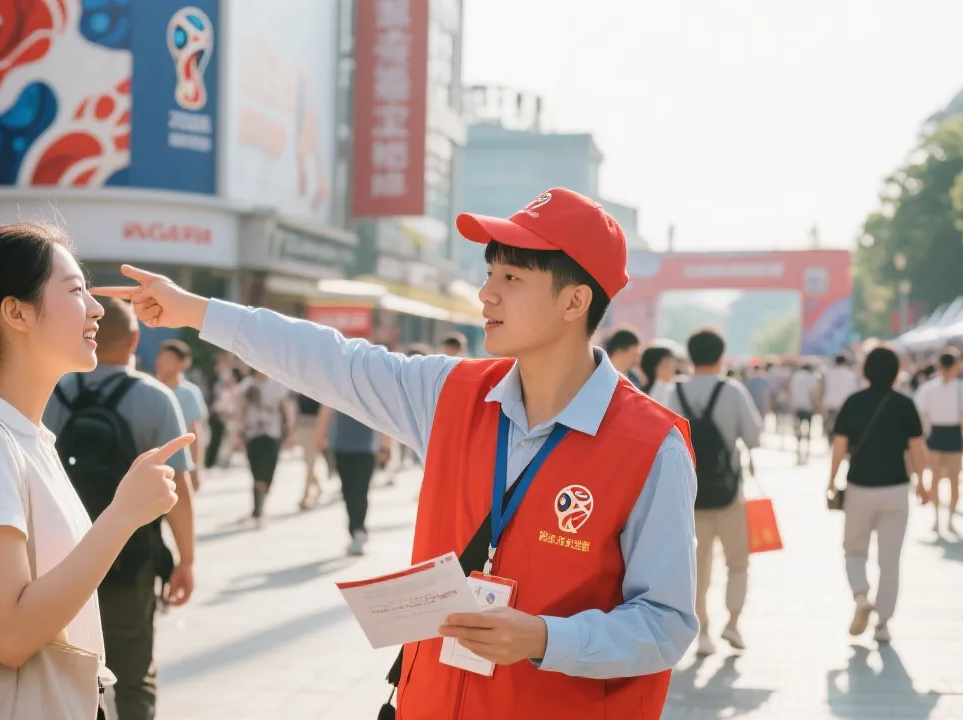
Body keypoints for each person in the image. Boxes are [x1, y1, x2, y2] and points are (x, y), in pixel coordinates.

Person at [94, 187, 699, 718]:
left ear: (576, 302)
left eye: (511, 278)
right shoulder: (452, 394)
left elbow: (667, 622)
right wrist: (194, 310)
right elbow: (331, 360)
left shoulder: (651, 446)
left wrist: (544, 638)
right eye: (490, 272)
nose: (486, 294)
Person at [0, 224, 191, 719]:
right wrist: (123, 515)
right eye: (74, 291)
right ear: (16, 312)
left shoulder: (26, 437)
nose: (96, 308)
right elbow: (10, 636)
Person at [44, 296, 196, 720]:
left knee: (63, 669)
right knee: (133, 673)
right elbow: (178, 490)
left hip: (61, 556)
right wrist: (186, 559)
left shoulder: (52, 391)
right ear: (135, 339)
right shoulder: (155, 397)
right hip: (132, 558)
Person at [664, 328, 762, 656]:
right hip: (729, 492)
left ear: (689, 357)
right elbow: (754, 437)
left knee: (697, 568)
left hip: (687, 495)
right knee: (737, 562)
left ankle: (702, 632)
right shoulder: (732, 391)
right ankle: (732, 623)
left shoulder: (672, 392)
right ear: (721, 357)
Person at [827, 346, 928, 644]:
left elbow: (840, 446)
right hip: (896, 489)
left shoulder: (853, 402)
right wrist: (924, 483)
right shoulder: (904, 404)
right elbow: (917, 449)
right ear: (897, 372)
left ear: (865, 370)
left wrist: (831, 480)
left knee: (854, 550)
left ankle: (860, 596)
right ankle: (883, 623)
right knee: (890, 559)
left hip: (859, 488)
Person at [913, 349, 963, 533]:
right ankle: (938, 516)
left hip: (950, 433)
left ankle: (949, 517)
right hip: (938, 433)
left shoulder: (958, 388)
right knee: (936, 478)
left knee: (953, 479)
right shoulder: (932, 388)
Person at [316, 405, 383, 556]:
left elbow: (383, 416)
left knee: (361, 489)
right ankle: (356, 529)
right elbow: (326, 410)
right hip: (342, 447)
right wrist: (320, 435)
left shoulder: (370, 389)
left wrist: (386, 445)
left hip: (366, 448)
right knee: (347, 491)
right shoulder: (339, 385)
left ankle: (358, 529)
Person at [235, 369, 295, 527]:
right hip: (252, 433)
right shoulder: (246, 386)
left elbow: (286, 408)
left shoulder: (276, 385)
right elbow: (240, 411)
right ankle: (258, 509)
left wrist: (290, 431)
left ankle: (261, 503)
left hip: (272, 433)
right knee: (256, 472)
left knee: (268, 470)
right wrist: (237, 433)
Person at [154, 339, 208, 492]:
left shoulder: (189, 393)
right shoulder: (151, 389)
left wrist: (196, 468)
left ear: (181, 363)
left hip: (180, 467)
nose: (160, 362)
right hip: (154, 466)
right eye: (160, 357)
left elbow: (195, 432)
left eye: (167, 358)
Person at [822, 352, 859, 441]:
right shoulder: (851, 374)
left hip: (830, 403)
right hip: (845, 405)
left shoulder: (828, 373)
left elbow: (823, 388)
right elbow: (854, 390)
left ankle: (830, 443)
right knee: (843, 429)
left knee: (830, 427)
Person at [789, 362, 819, 464]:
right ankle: (806, 452)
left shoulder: (795, 376)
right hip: (808, 406)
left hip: (796, 406)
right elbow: (814, 392)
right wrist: (818, 406)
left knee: (798, 430)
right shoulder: (811, 377)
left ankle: (798, 451)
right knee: (808, 430)